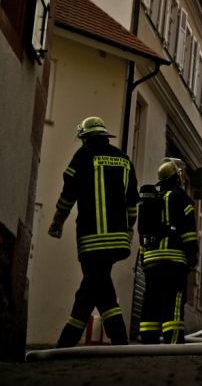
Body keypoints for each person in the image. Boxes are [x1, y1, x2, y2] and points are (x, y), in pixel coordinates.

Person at [48, 116, 139, 347]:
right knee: (93, 286)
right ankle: (67, 343)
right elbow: (131, 202)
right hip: (118, 238)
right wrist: (128, 231)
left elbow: (69, 191)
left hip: (92, 237)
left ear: (85, 137)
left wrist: (58, 220)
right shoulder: (124, 159)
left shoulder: (84, 155)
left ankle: (118, 341)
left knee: (98, 286)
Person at [138, 157, 199, 344]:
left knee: (151, 300)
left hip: (151, 260)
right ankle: (173, 342)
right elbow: (188, 231)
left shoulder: (151, 200)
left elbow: (143, 231)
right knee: (174, 300)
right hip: (174, 260)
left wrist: (144, 257)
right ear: (177, 178)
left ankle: (149, 340)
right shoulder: (182, 198)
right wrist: (192, 254)